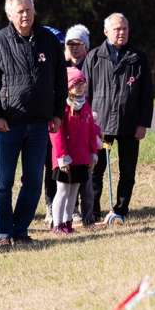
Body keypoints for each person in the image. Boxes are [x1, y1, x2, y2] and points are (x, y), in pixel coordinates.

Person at [0, 0, 67, 247]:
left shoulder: (49, 40)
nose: (25, 15)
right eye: (20, 11)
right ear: (9, 15)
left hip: (40, 125)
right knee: (2, 183)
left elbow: (61, 80)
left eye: (28, 10)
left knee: (34, 182)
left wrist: (58, 113)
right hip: (7, 126)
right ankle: (2, 232)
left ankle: (20, 229)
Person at [84, 13, 154, 221]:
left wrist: (143, 123)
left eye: (124, 28)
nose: (121, 32)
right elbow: (84, 93)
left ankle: (121, 210)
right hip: (100, 125)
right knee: (95, 171)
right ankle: (92, 212)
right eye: (117, 29)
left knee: (128, 172)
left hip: (130, 124)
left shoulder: (138, 57)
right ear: (106, 32)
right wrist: (88, 125)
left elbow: (146, 94)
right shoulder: (94, 57)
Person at [49, 67, 97, 234]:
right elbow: (56, 134)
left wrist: (93, 154)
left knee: (74, 191)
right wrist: (62, 156)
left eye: (82, 83)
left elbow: (91, 132)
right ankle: (57, 224)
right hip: (65, 158)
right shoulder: (62, 108)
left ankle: (67, 223)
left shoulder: (86, 107)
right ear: (68, 86)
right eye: (76, 83)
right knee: (62, 191)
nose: (80, 86)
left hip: (81, 158)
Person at [41, 25, 65, 228]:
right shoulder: (40, 64)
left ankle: (68, 207)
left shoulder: (66, 69)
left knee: (60, 167)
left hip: (64, 126)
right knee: (47, 168)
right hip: (42, 124)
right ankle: (50, 206)